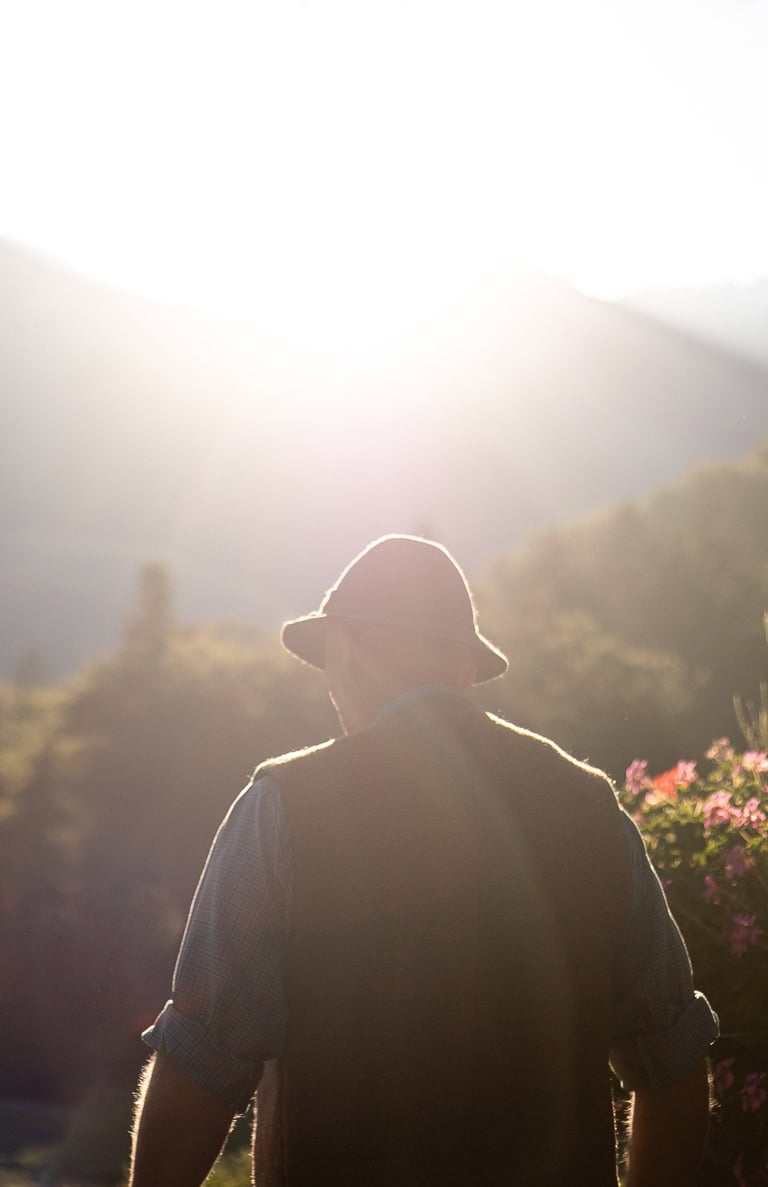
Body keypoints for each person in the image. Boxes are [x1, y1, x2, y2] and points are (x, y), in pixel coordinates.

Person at [130, 534, 718, 1186]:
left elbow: (200, 1063)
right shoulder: (590, 809)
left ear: (345, 649)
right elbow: (674, 1059)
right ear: (465, 672)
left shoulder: (282, 808)